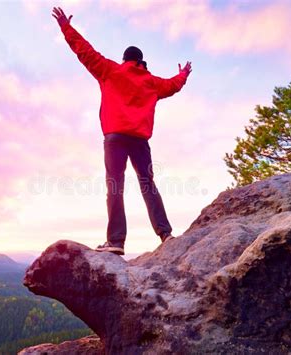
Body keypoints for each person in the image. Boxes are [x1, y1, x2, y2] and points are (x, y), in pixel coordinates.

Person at [52, 7, 192, 256]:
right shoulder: (151, 82)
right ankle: (165, 234)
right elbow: (173, 85)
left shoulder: (110, 70)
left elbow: (84, 51)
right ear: (140, 61)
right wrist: (183, 73)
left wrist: (66, 26)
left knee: (114, 185)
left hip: (115, 138)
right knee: (148, 184)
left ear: (125, 59)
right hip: (140, 140)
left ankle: (116, 240)